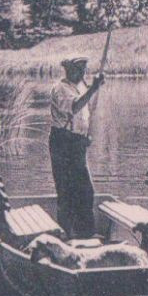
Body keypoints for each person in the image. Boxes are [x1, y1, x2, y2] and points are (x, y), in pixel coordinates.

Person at [48, 55, 106, 240]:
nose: (82, 73)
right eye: (78, 70)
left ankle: (85, 235)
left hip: (76, 143)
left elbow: (84, 114)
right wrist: (94, 88)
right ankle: (65, 236)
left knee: (85, 191)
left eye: (83, 69)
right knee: (66, 192)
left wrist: (85, 135)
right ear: (67, 69)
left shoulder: (79, 87)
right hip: (63, 143)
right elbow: (74, 107)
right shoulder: (60, 89)